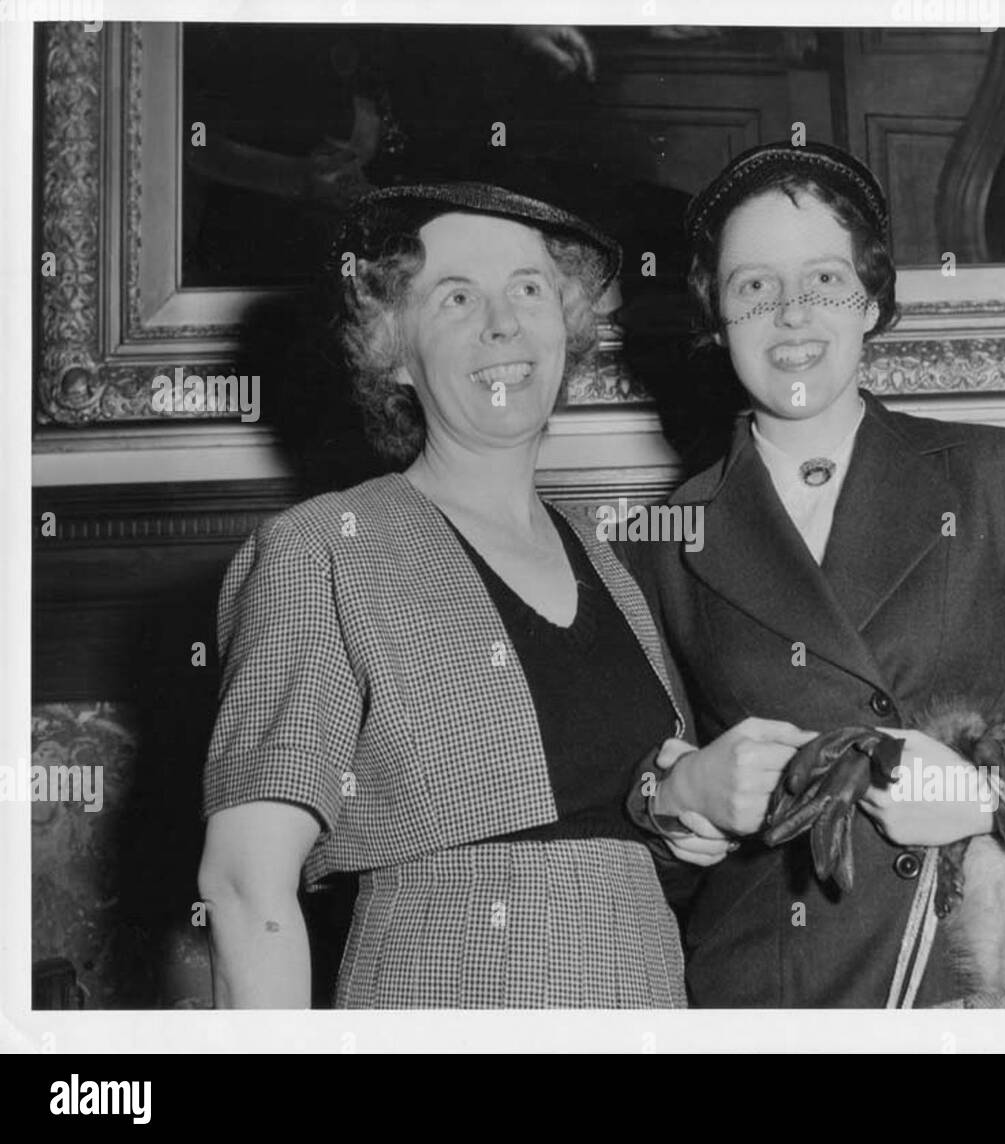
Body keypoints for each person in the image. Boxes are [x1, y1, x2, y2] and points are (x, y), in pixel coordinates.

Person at [197, 180, 808, 1008]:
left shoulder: (614, 569)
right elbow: (244, 886)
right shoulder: (325, 549)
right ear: (394, 352)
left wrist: (677, 802)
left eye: (529, 288)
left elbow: (608, 830)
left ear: (567, 323)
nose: (503, 322)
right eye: (456, 297)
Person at [625, 141, 1005, 1006]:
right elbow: (646, 847)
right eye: (753, 288)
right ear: (715, 315)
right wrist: (674, 804)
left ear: (873, 299)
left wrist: (988, 797)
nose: (792, 314)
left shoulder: (999, 476)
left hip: (972, 975)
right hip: (771, 994)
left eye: (824, 281)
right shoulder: (662, 538)